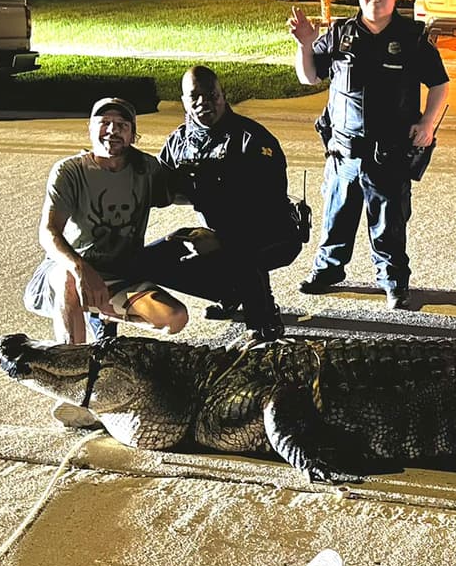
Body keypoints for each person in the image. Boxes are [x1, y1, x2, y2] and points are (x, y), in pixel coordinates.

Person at [288, 0, 450, 310]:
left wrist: (427, 124)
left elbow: (439, 85)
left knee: (389, 224)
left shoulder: (412, 38)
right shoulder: (340, 34)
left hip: (388, 154)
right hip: (343, 152)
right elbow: (309, 77)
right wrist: (305, 44)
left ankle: (393, 281)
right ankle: (328, 271)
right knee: (335, 218)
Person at [24, 98, 189, 426]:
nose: (112, 130)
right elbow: (48, 232)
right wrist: (80, 267)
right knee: (70, 280)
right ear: (90, 128)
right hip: (69, 270)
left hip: (119, 276)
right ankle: (74, 383)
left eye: (122, 125)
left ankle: (103, 327)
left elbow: (184, 191)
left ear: (133, 135)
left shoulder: (146, 169)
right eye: (104, 122)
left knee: (175, 318)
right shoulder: (70, 171)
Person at [140, 65, 300, 342]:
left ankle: (263, 322)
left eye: (211, 95)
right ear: (184, 102)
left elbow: (269, 206)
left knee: (241, 253)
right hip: (210, 232)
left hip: (270, 230)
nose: (204, 103)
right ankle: (229, 293)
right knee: (148, 260)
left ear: (223, 96)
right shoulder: (179, 141)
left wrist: (222, 240)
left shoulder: (252, 141)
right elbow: (160, 188)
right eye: (195, 97)